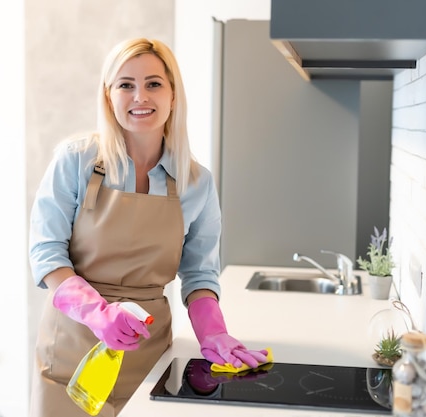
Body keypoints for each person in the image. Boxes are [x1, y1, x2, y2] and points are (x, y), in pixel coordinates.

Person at [28, 37, 268, 417]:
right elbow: (46, 252)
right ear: (109, 97)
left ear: (173, 95)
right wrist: (97, 314)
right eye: (126, 84)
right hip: (71, 354)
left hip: (147, 361)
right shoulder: (76, 161)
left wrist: (213, 333)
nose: (140, 96)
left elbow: (200, 272)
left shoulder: (196, 182)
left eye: (154, 83)